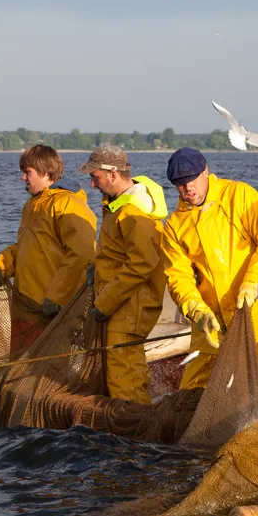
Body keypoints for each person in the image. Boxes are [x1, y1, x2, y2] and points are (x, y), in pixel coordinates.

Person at [160, 148, 258, 405]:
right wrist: (196, 310)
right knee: (191, 394)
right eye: (179, 184)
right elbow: (178, 277)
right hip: (211, 326)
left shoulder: (241, 196)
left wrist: (254, 282)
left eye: (191, 179)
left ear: (205, 172)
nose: (187, 188)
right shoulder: (174, 226)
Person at [79, 144, 168, 404]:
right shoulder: (117, 205)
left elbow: (142, 263)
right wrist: (97, 266)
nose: (92, 185)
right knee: (122, 368)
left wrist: (105, 302)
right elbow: (118, 252)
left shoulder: (134, 211)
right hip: (121, 302)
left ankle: (133, 432)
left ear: (113, 174)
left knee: (125, 373)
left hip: (131, 306)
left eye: (95, 177)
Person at [0, 144, 97, 351]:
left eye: (27, 172)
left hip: (54, 313)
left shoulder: (67, 204)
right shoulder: (32, 206)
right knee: (21, 371)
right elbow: (27, 247)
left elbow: (82, 253)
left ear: (45, 173)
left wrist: (56, 296)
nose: (23, 178)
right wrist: (3, 266)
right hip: (27, 307)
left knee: (48, 373)